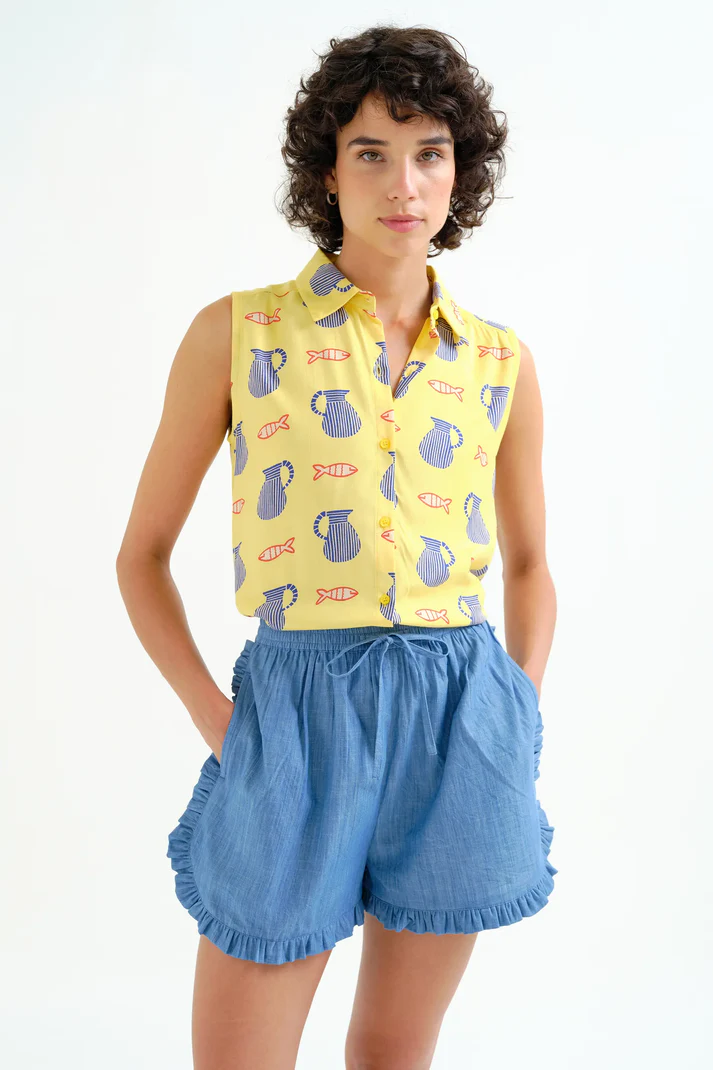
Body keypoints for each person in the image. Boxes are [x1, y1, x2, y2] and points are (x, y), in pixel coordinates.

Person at [116, 23, 558, 1070]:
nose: (403, 184)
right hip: (294, 715)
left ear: (459, 170)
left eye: (429, 153)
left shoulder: (498, 360)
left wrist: (517, 707)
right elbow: (142, 555)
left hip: (459, 713)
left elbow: (529, 563)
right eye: (370, 152)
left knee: (395, 1051)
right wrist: (220, 720)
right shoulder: (239, 334)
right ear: (326, 169)